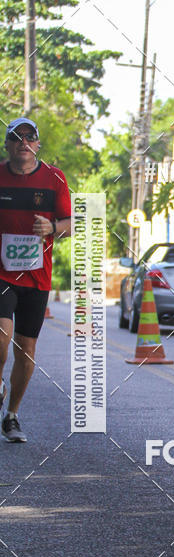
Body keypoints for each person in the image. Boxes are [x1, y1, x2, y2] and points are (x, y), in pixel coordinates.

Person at [0, 117, 71, 442]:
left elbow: (70, 222)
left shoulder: (54, 178)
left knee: (25, 350)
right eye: (16, 137)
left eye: (30, 137)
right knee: (2, 335)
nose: (23, 143)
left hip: (36, 275)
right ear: (8, 145)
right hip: (1, 272)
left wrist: (53, 228)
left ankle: (12, 414)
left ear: (38, 144)